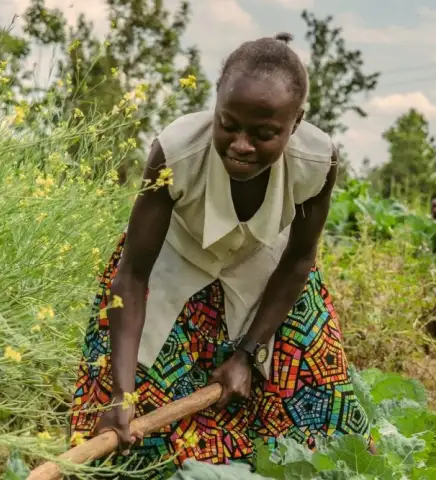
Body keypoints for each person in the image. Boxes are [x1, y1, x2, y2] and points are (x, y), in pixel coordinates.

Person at [67, 32, 370, 477]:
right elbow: (132, 277)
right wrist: (121, 396)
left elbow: (300, 260)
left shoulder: (316, 161)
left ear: (297, 121)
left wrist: (247, 353)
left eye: (265, 133)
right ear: (216, 103)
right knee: (128, 445)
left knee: (324, 418)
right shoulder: (176, 152)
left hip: (266, 273)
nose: (242, 144)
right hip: (168, 270)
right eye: (228, 124)